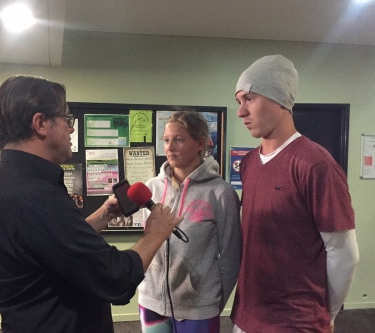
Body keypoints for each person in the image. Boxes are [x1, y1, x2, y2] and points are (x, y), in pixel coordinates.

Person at [0, 75, 183, 333]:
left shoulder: (14, 181)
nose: (72, 129)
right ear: (41, 123)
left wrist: (102, 215)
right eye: (67, 119)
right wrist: (154, 235)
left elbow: (55, 249)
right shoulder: (36, 197)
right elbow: (115, 278)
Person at [231, 55, 360, 333]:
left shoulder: (315, 164)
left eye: (250, 98)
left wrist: (329, 314)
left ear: (279, 99)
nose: (241, 111)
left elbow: (344, 254)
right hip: (247, 315)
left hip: (295, 322)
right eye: (238, 101)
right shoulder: (250, 163)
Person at [138, 111, 242, 333]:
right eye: (166, 140)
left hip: (199, 307)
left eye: (179, 139)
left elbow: (231, 255)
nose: (170, 147)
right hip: (151, 301)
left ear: (200, 143)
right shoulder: (152, 187)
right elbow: (147, 241)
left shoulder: (220, 193)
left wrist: (213, 300)